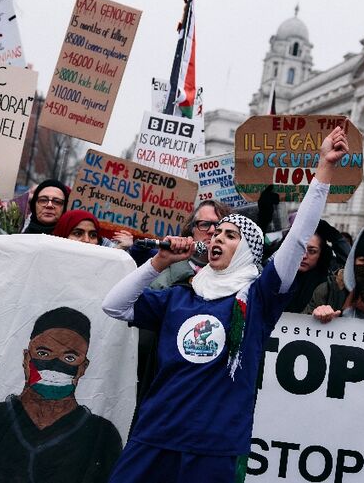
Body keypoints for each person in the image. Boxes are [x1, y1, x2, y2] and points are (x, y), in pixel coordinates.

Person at [101, 126, 347, 482]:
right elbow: (114, 306)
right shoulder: (181, 295)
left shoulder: (259, 298)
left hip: (213, 447)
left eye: (229, 235)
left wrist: (324, 169)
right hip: (155, 435)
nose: (217, 238)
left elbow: (296, 242)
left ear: (248, 249)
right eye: (215, 234)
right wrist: (159, 262)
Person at [0, 307, 122, 483]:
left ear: (83, 367)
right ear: (26, 359)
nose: (54, 366)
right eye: (43, 353)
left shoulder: (102, 435)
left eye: (69, 358)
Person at [147, 199, 230, 290]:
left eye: (219, 225)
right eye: (205, 224)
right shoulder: (164, 282)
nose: (212, 230)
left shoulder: (240, 276)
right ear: (191, 230)